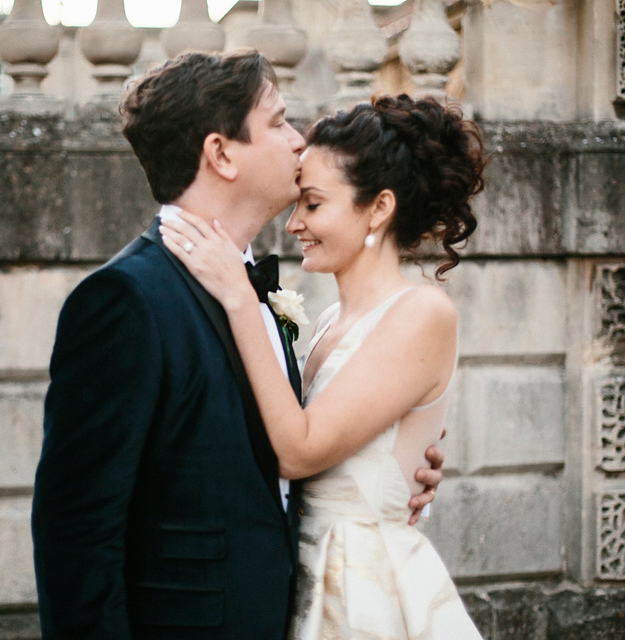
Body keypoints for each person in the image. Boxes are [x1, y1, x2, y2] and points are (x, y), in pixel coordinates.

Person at [31, 51, 445, 640]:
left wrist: (393, 462)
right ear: (221, 154)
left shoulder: (261, 295)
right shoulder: (125, 300)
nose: (299, 142)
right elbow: (75, 529)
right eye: (278, 122)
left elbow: (278, 461)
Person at [159, 94, 486, 639]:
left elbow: (301, 450)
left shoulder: (422, 311)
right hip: (299, 574)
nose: (293, 225)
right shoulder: (332, 318)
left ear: (378, 208)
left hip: (363, 593)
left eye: (312, 204)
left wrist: (239, 297)